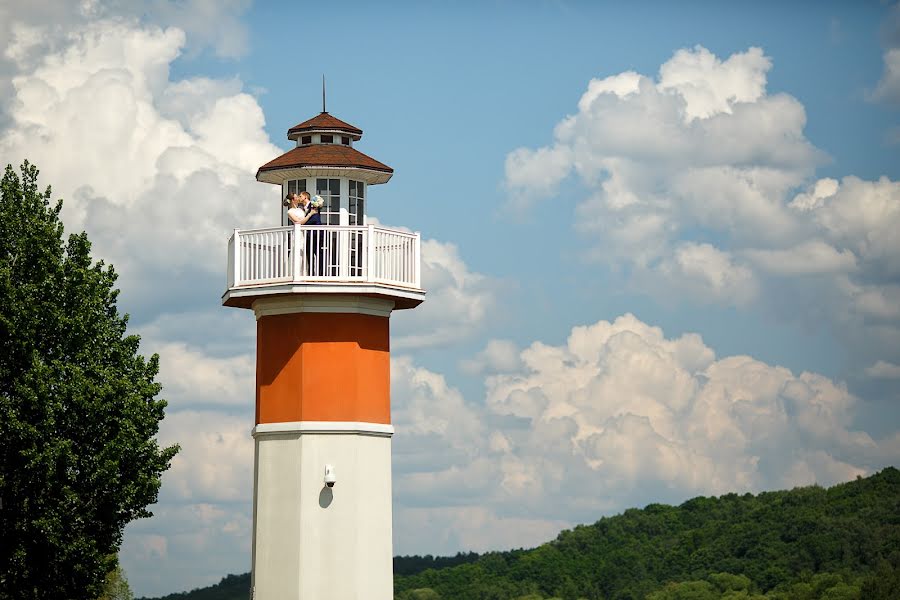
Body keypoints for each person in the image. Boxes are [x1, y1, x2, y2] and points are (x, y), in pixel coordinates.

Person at [285, 192, 324, 276]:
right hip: (299, 234)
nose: (298, 198)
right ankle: (297, 274)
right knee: (299, 253)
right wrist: (310, 214)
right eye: (297, 197)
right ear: (292, 200)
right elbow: (299, 223)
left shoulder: (301, 209)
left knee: (307, 255)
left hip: (308, 234)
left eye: (300, 196)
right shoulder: (290, 212)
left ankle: (308, 274)